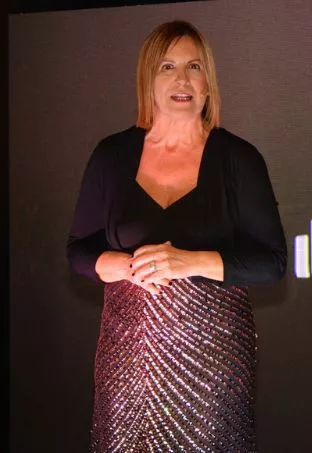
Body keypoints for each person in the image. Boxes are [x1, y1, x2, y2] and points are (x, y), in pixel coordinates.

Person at [66, 20, 287, 452]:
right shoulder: (111, 155)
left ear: (208, 83)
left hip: (212, 365)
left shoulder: (238, 158)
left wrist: (189, 261)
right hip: (128, 359)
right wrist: (123, 266)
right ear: (148, 79)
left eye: (194, 67)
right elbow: (78, 250)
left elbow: (272, 262)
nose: (182, 79)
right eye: (167, 67)